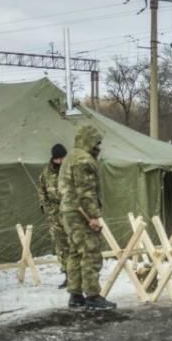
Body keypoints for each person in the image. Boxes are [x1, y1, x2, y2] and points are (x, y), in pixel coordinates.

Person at [59, 125, 115, 309]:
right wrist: (94, 217)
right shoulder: (83, 160)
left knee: (75, 252)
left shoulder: (70, 157)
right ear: (89, 140)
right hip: (80, 213)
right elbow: (85, 192)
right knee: (90, 252)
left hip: (68, 211)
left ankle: (75, 295)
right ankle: (93, 296)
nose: (98, 146)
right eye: (96, 142)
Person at [38, 143, 70, 288]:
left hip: (71, 214)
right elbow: (41, 192)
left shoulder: (71, 169)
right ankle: (68, 275)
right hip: (55, 215)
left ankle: (79, 276)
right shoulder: (46, 173)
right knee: (61, 246)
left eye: (62, 158)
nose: (60, 161)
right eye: (58, 159)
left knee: (75, 244)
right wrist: (48, 209)